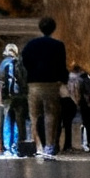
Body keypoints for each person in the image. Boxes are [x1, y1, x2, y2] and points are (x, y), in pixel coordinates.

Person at [20, 16, 71, 160]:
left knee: (34, 116)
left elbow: (25, 62)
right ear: (53, 28)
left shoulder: (31, 44)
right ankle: (49, 145)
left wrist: (31, 73)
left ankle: (37, 146)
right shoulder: (58, 45)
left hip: (34, 84)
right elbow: (62, 65)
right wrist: (63, 80)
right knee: (51, 115)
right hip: (51, 83)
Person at [0, 42, 27, 156]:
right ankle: (18, 145)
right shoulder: (19, 62)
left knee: (8, 120)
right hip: (19, 95)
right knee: (19, 121)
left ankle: (7, 146)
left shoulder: (3, 63)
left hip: (7, 96)